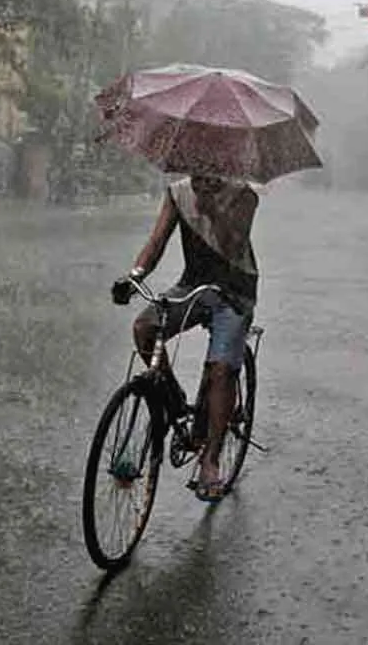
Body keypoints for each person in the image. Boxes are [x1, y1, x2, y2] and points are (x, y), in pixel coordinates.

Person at [111, 174, 260, 502]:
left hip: (234, 291)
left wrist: (210, 210)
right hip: (193, 284)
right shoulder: (177, 192)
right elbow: (157, 242)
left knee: (222, 369)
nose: (201, 172)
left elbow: (233, 246)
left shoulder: (243, 195)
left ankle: (211, 460)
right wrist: (134, 276)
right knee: (144, 328)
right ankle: (172, 397)